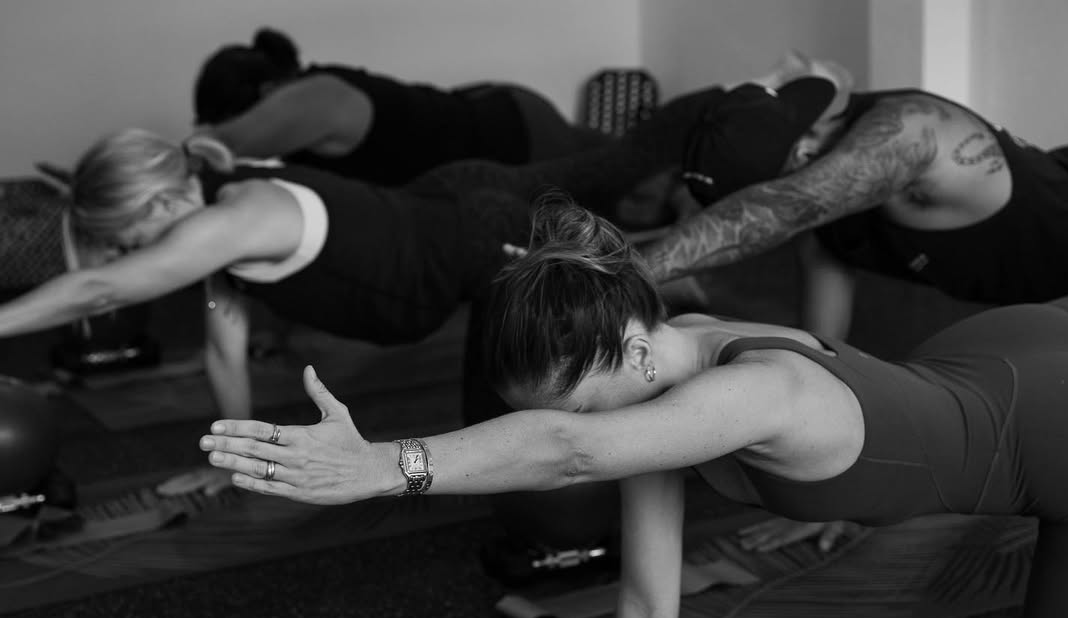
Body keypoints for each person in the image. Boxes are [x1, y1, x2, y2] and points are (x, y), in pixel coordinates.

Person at [199, 198, 1068, 618]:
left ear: (627, 349)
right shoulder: (664, 357)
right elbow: (651, 598)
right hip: (992, 363)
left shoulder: (757, 391)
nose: (582, 431)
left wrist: (388, 468)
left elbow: (567, 449)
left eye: (578, 407)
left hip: (1059, 429)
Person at [0, 85, 725, 491]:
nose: (131, 263)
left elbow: (96, 290)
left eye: (125, 243)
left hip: (468, 241)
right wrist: (229, 465)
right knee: (610, 177)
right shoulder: (217, 233)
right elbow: (226, 351)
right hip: (449, 204)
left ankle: (706, 204)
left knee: (527, 411)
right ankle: (693, 198)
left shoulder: (235, 216)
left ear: (160, 207)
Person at [648, 79, 1068, 552]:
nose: (818, 131)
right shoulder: (829, 212)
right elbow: (819, 347)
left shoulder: (917, 130)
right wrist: (821, 492)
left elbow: (777, 212)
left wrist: (609, 275)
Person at [193, 27, 609, 187]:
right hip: (500, 113)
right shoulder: (313, 95)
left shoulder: (315, 96)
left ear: (266, 92)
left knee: (629, 180)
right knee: (615, 161)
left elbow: (212, 150)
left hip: (514, 131)